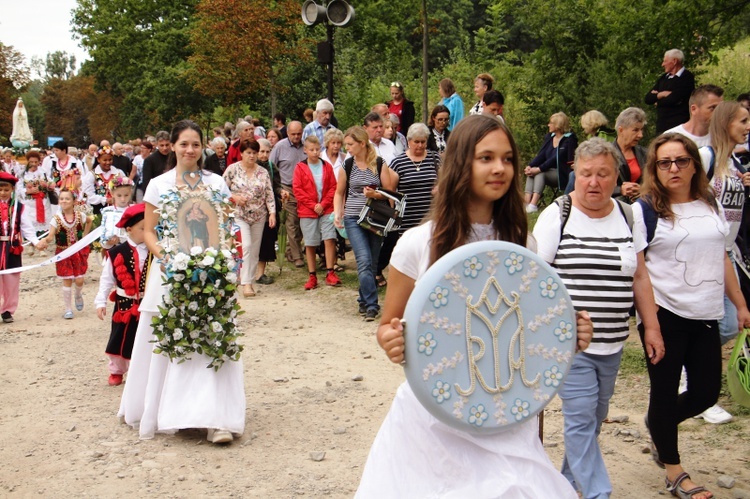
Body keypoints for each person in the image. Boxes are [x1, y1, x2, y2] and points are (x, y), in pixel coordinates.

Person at [357, 115, 593, 498]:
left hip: (504, 416)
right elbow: (389, 324)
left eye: (507, 158)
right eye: (486, 157)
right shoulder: (418, 243)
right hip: (435, 418)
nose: (499, 168)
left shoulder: (523, 248)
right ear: (461, 163)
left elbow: (533, 334)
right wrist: (391, 340)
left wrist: (571, 334)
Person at [533, 138, 663, 499]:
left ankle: (568, 485)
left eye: (603, 174)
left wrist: (651, 327)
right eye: (586, 174)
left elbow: (639, 276)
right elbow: (536, 277)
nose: (594, 182)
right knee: (579, 419)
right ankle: (597, 492)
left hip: (613, 342)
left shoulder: (627, 214)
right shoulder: (557, 213)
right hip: (569, 343)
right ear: (575, 173)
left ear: (616, 176)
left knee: (593, 418)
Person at [635, 133, 750, 499]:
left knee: (704, 393)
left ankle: (658, 425)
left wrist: (742, 304)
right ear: (654, 169)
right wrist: (649, 324)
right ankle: (674, 471)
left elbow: (723, 255)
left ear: (693, 165)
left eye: (681, 161)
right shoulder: (647, 208)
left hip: (706, 312)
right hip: (665, 312)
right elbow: (638, 270)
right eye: (664, 162)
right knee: (665, 392)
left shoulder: (709, 201)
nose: (673, 169)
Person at [118, 120, 245, 444]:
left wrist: (220, 262)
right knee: (172, 337)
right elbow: (148, 231)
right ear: (173, 146)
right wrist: (169, 260)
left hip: (211, 272)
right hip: (171, 272)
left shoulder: (216, 183)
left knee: (211, 337)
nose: (190, 150)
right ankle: (172, 409)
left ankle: (217, 418)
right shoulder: (159, 185)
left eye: (195, 144)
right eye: (184, 144)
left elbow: (227, 226)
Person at [694, 101, 750, 424]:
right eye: (743, 120)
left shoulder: (734, 164)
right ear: (726, 122)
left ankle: (695, 377)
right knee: (721, 322)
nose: (747, 126)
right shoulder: (706, 157)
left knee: (729, 323)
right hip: (706, 253)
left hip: (728, 253)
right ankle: (698, 388)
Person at [334, 126, 395, 322]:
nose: (347, 148)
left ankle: (362, 299)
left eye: (350, 144)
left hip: (375, 218)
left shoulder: (379, 163)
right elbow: (339, 192)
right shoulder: (347, 165)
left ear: (362, 143)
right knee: (363, 260)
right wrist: (338, 213)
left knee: (372, 262)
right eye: (346, 145)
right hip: (353, 217)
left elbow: (388, 192)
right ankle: (371, 305)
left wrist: (374, 194)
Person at [375, 123, 440, 288]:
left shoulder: (434, 158)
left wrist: (440, 188)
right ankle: (408, 285)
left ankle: (428, 284)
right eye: (416, 142)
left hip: (430, 215)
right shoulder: (399, 162)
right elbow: (391, 190)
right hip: (407, 217)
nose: (420, 145)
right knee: (410, 252)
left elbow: (443, 180)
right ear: (409, 141)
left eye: (423, 142)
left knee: (430, 250)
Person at [94, 203, 149, 386]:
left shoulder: (153, 252)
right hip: (124, 304)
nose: (147, 232)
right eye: (143, 228)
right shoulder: (116, 252)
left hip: (146, 302)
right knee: (119, 335)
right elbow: (106, 279)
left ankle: (139, 370)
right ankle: (116, 370)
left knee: (141, 337)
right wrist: (100, 301)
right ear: (129, 229)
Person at [223, 138, 276, 298]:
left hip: (259, 215)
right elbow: (220, 190)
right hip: (239, 214)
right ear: (241, 153)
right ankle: (245, 284)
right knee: (245, 245)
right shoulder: (232, 170)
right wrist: (234, 197)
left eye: (254, 153)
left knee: (254, 250)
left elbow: (269, 193)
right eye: (249, 153)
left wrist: (272, 212)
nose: (252, 156)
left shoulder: (263, 172)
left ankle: (249, 280)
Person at [293, 136, 340, 290]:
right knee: (310, 243)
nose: (315, 152)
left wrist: (324, 204)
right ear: (305, 150)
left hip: (326, 208)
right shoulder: (300, 168)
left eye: (317, 149)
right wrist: (314, 205)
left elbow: (333, 187)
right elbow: (298, 190)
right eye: (311, 150)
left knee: (329, 238)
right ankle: (312, 275)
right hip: (308, 210)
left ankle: (330, 271)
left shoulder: (326, 166)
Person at [39, 190, 93, 320]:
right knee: (67, 279)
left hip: (78, 252)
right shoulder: (56, 219)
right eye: (61, 198)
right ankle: (68, 309)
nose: (63, 201)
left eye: (67, 199)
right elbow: (51, 236)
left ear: (74, 201)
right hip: (63, 253)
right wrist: (44, 241)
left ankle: (78, 294)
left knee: (79, 279)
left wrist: (85, 236)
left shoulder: (80, 216)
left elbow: (90, 220)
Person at [0, 172, 44, 323]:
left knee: (12, 280)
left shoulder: (19, 208)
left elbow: (27, 228)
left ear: (12, 189)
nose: (3, 193)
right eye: (0, 189)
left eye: (6, 189)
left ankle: (7, 310)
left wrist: (35, 241)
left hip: (12, 247)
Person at [524, 112, 578, 212]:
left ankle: (533, 204)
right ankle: (526, 202)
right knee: (531, 172)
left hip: (562, 173)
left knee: (540, 173)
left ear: (558, 125)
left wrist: (539, 169)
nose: (548, 125)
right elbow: (542, 155)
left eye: (551, 123)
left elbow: (556, 158)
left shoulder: (569, 139)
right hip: (548, 170)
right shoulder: (550, 137)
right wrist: (530, 165)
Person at [270, 121, 307, 268]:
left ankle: (292, 250)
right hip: (287, 188)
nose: (297, 137)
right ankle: (297, 256)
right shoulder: (280, 147)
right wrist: (277, 189)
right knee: (291, 222)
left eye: (299, 134)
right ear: (287, 133)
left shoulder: (306, 146)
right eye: (293, 134)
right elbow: (272, 166)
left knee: (302, 222)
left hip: (304, 189)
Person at [645, 49, 696, 134]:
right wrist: (662, 94)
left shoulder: (686, 77)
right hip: (662, 126)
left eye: (665, 61)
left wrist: (658, 101)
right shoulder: (664, 78)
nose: (662, 64)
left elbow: (674, 99)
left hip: (679, 126)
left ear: (674, 61)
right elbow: (648, 99)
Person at [255, 138, 282, 285]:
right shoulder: (250, 166)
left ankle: (260, 274)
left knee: (266, 242)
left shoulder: (272, 167)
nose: (264, 155)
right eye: (261, 151)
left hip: (269, 211)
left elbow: (276, 186)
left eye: (267, 151)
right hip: (252, 211)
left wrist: (282, 192)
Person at [612, 107, 648, 202]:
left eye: (641, 130)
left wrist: (643, 189)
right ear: (621, 130)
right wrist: (620, 190)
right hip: (615, 206)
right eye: (635, 130)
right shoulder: (605, 154)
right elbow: (597, 185)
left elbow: (655, 182)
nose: (640, 135)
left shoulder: (645, 153)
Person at [18, 150, 53, 245]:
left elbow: (50, 182)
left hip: (43, 202)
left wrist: (47, 185)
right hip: (29, 204)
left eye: (36, 162)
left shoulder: (43, 172)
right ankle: (31, 243)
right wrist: (27, 191)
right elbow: (18, 188)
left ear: (39, 161)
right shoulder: (22, 173)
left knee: (43, 222)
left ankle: (42, 243)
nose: (34, 164)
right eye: (31, 162)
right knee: (29, 222)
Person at [99, 178, 135, 250]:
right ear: (112, 194)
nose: (123, 199)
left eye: (126, 195)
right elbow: (103, 235)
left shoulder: (134, 210)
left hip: (132, 250)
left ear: (130, 193)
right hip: (114, 251)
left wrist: (122, 239)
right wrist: (108, 242)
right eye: (119, 195)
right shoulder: (108, 212)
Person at [91, 146, 126, 215]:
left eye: (110, 160)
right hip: (98, 210)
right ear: (98, 160)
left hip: (117, 209)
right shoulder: (92, 175)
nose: (108, 162)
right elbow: (89, 195)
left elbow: (127, 188)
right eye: (105, 160)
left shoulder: (119, 173)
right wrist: (105, 200)